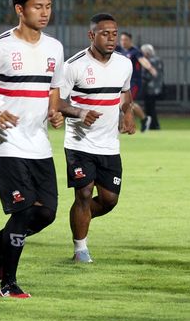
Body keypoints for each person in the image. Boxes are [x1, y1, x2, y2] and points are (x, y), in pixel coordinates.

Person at [0, 0, 64, 299]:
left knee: (46, 212)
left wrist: (54, 111)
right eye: (38, 6)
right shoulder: (0, 47)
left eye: (48, 6)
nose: (44, 12)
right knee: (22, 211)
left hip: (39, 143)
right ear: (20, 9)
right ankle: (8, 283)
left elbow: (53, 87)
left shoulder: (55, 47)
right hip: (5, 143)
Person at [57, 13, 135, 264]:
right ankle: (81, 250)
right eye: (105, 33)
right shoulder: (74, 66)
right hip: (79, 143)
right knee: (84, 193)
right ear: (92, 35)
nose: (111, 38)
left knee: (110, 200)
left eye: (114, 33)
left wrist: (128, 113)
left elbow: (125, 95)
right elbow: (56, 100)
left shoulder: (124, 64)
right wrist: (79, 113)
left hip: (109, 144)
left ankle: (79, 217)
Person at [116, 32, 156, 123]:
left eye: (125, 40)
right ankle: (144, 119)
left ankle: (124, 124)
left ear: (130, 41)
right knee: (123, 104)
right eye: (122, 40)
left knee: (126, 103)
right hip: (121, 82)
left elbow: (142, 60)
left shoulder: (135, 51)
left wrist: (150, 68)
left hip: (133, 82)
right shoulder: (119, 49)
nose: (123, 42)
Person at [140, 43, 163, 132]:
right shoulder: (158, 60)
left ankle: (154, 125)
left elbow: (146, 75)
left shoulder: (149, 61)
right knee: (151, 106)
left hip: (149, 87)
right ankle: (154, 125)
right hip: (156, 87)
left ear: (147, 52)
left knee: (149, 107)